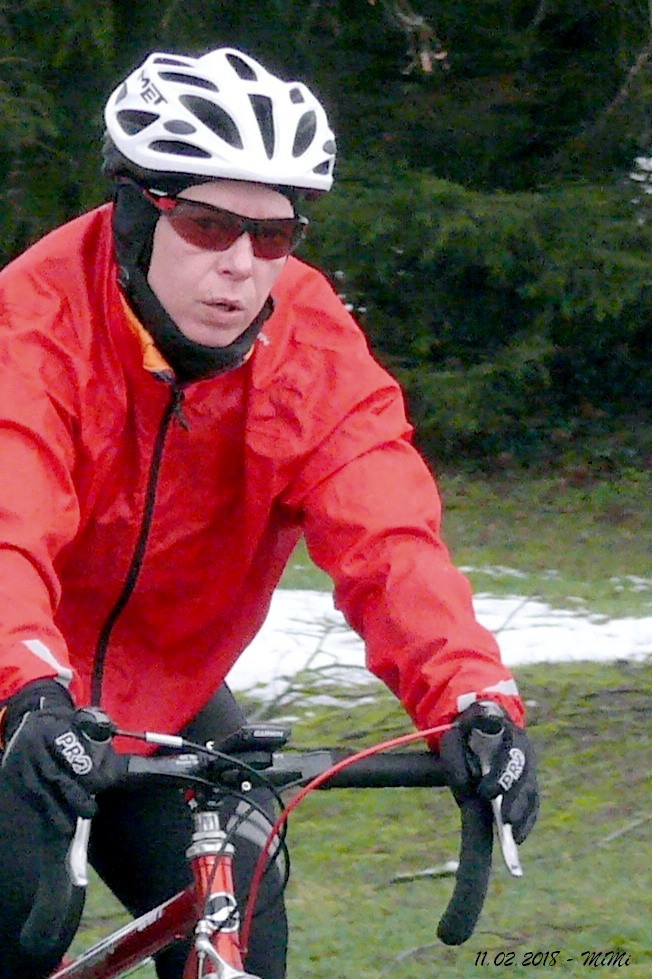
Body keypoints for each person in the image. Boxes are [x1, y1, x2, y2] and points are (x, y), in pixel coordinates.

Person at [0, 46, 539, 979]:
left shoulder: (309, 341)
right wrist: (26, 688)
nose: (241, 266)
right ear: (136, 214)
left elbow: (390, 540)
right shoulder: (33, 324)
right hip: (20, 691)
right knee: (20, 919)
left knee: (247, 914)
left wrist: (472, 698)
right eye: (209, 225)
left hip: (163, 700)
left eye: (274, 235)